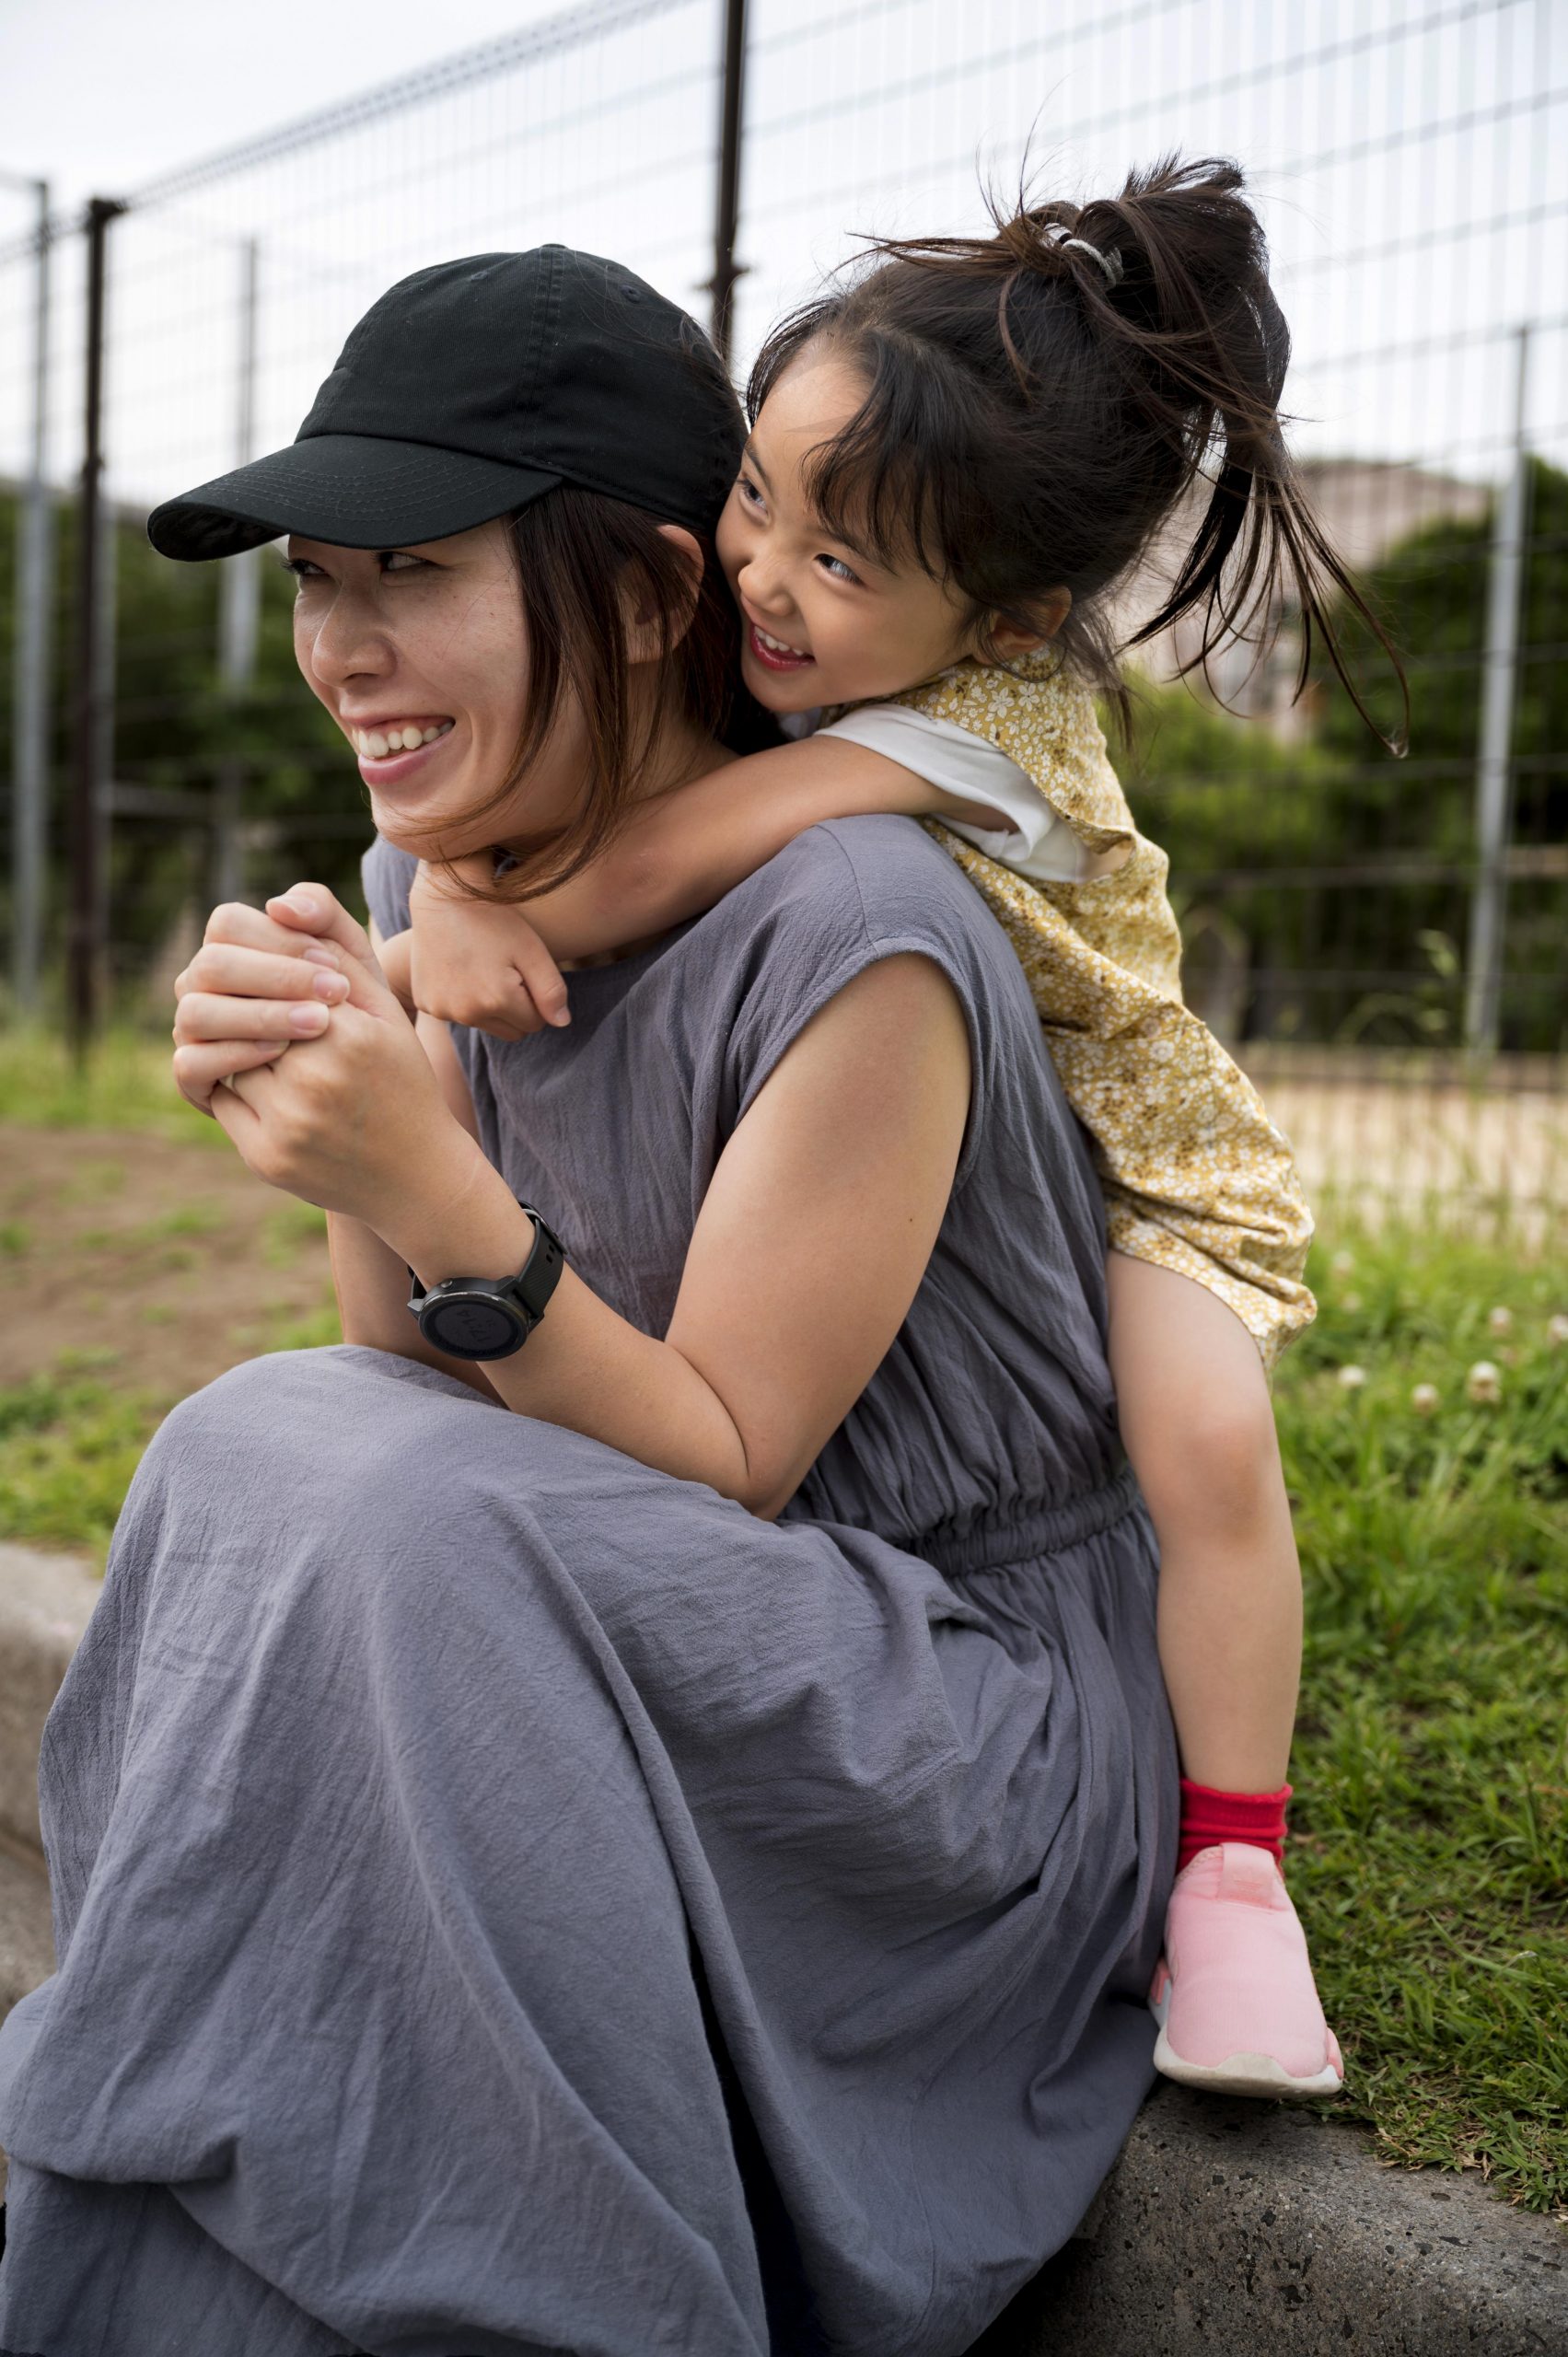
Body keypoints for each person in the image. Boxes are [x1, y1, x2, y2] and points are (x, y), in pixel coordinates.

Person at [0, 248, 1177, 2357]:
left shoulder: (861, 921)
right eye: (316, 582)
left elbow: (728, 1458)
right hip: (641, 1615)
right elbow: (404, 1381)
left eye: (411, 572)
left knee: (362, 1495)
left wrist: (428, 1174)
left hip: (950, 1716)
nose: (343, 647)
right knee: (249, 1443)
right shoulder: (425, 880)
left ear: (646, 594)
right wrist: (351, 1089)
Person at [378, 161, 1400, 2098]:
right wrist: (445, 900)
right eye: (758, 493)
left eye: (839, 560)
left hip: (1146, 1179)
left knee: (1203, 1435)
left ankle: (1239, 1876)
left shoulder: (971, 730)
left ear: (995, 610)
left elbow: (667, 848)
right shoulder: (823, 651)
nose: (762, 574)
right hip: (975, 1161)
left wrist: (458, 907)